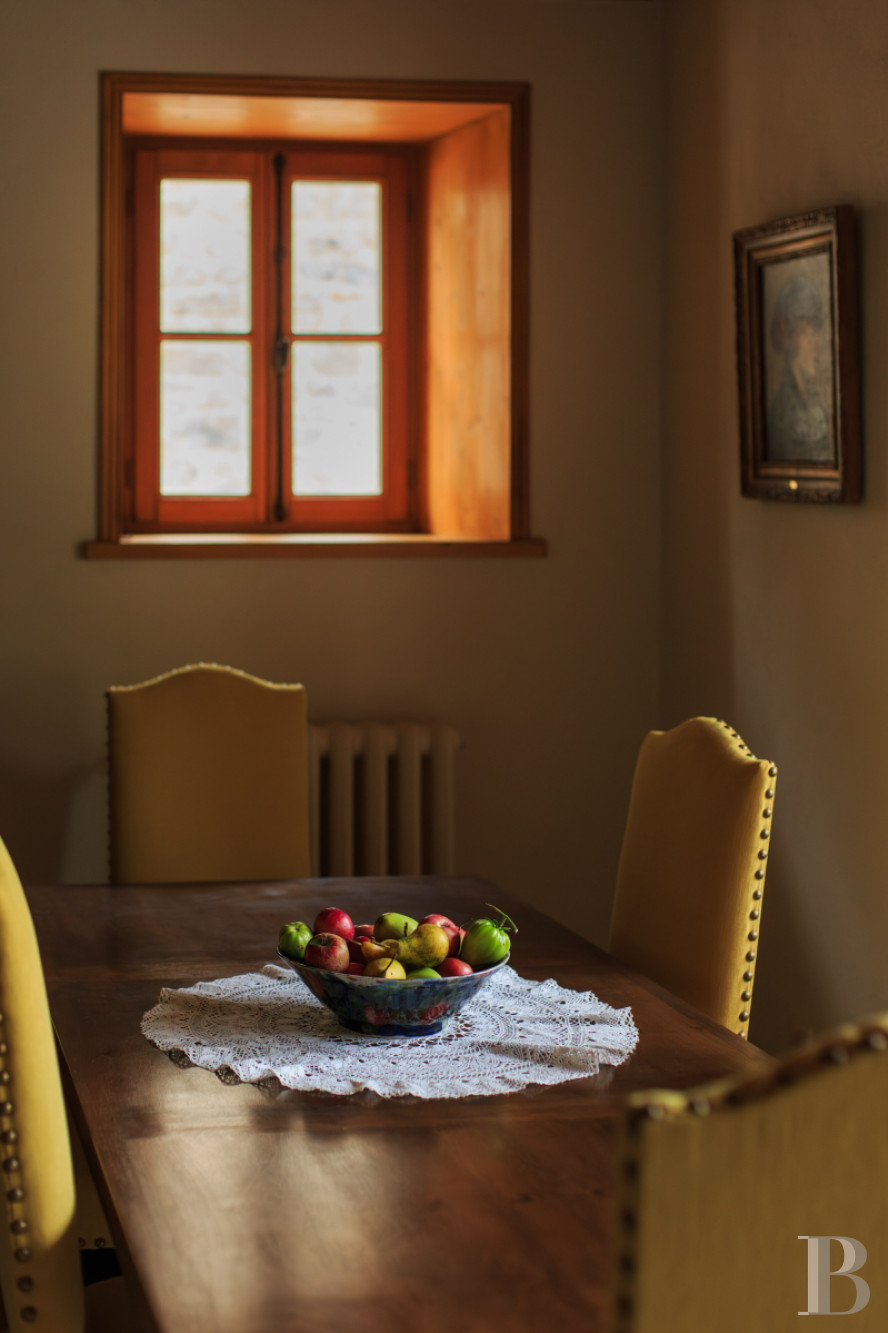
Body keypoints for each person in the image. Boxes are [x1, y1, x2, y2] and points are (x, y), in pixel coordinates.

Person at [765, 271, 833, 462]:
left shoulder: (814, 404)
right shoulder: (782, 412)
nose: (815, 343)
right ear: (791, 339)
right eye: (806, 333)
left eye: (815, 332)